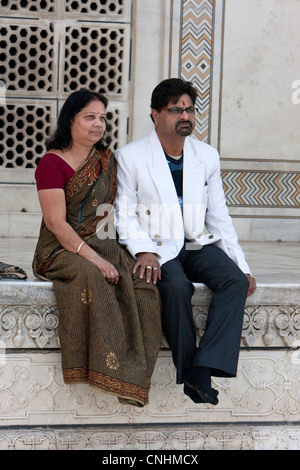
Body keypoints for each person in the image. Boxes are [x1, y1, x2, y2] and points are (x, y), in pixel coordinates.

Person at [115, 78, 256, 406]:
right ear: (155, 114)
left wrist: (242, 265)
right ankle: (192, 370)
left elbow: (220, 216)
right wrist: (144, 250)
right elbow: (122, 214)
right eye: (175, 109)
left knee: (235, 282)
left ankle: (201, 368)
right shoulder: (131, 156)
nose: (185, 115)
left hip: (195, 242)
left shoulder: (206, 156)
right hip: (157, 243)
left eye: (190, 109)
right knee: (176, 287)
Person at [32, 90, 162, 407]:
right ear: (70, 120)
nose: (98, 124)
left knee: (143, 280)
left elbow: (131, 209)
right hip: (61, 251)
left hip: (105, 242)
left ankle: (134, 376)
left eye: (103, 117)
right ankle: (107, 369)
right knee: (94, 276)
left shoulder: (108, 162)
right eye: (90, 116)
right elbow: (56, 223)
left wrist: (145, 250)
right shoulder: (51, 163)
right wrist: (96, 259)